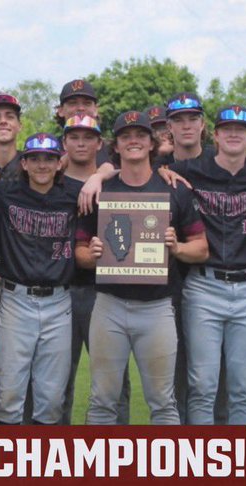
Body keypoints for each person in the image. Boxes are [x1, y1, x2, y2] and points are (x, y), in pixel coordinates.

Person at [76, 111, 208, 424]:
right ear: (116, 147)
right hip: (109, 305)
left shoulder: (174, 188)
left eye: (140, 135)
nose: (133, 141)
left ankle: (164, 472)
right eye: (125, 136)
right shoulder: (99, 192)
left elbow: (201, 248)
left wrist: (177, 248)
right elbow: (78, 252)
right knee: (102, 401)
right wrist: (92, 254)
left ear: (152, 143)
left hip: (157, 307)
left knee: (162, 402)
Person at [170, 105, 246, 425]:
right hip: (203, 285)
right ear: (214, 134)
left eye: (240, 130)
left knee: (244, 386)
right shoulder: (190, 170)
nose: (233, 134)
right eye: (226, 128)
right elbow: (143, 167)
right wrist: (162, 169)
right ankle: (202, 467)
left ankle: (241, 463)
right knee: (202, 384)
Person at [0, 133, 83, 425]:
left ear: (59, 163)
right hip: (16, 299)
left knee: (52, 400)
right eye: (35, 159)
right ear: (25, 163)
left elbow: (119, 181)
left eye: (49, 159)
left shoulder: (75, 194)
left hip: (59, 301)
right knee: (8, 397)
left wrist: (102, 174)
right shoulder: (5, 191)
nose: (42, 165)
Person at [60, 114, 131, 425]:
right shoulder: (49, 177)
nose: (80, 142)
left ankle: (119, 464)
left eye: (88, 137)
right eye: (73, 136)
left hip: (106, 291)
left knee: (114, 385)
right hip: (60, 292)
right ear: (64, 142)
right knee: (58, 384)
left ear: (99, 143)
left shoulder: (114, 182)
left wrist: (101, 175)